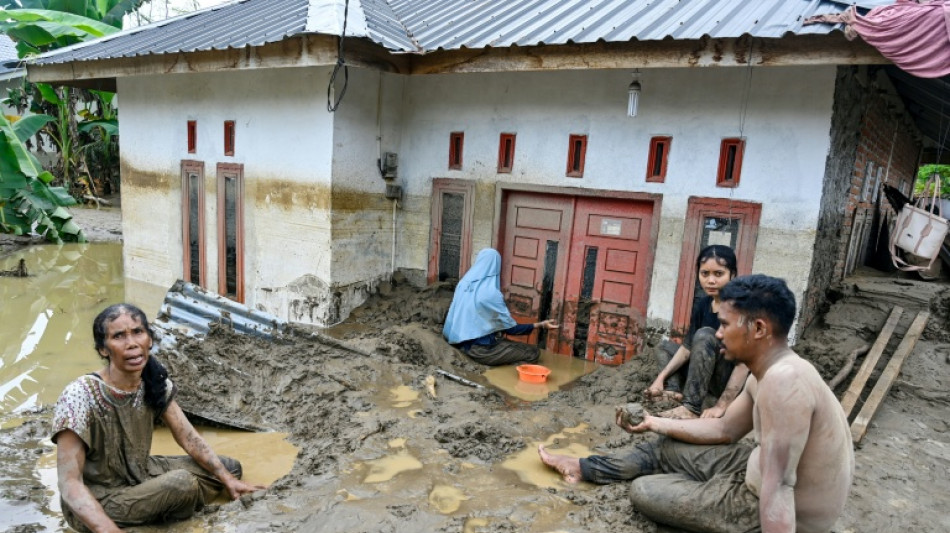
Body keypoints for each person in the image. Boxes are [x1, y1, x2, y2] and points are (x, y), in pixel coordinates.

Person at [539, 275, 854, 533]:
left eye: (726, 325)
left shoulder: (784, 382)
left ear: (758, 329)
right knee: (666, 444)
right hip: (754, 469)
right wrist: (653, 422)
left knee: (645, 491)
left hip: (780, 511)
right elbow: (725, 428)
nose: (717, 334)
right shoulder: (767, 372)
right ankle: (583, 467)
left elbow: (781, 487)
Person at [53, 303, 266, 532]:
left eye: (137, 332)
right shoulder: (79, 395)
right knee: (182, 483)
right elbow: (69, 484)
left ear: (150, 339)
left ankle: (155, 506)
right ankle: (137, 519)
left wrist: (228, 480)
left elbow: (187, 436)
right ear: (103, 349)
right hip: (101, 498)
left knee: (230, 469)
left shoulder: (153, 381)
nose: (132, 343)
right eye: (119, 336)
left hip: (140, 473)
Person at [646, 245, 749, 419]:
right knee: (665, 347)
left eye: (718, 274)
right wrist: (660, 378)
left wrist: (722, 405)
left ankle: (691, 408)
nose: (710, 280)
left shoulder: (741, 307)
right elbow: (687, 349)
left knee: (704, 335)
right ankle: (673, 391)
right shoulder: (703, 304)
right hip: (703, 372)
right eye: (705, 274)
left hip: (726, 378)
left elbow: (744, 364)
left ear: (733, 274)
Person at [443, 248, 559, 365]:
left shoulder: (463, 283)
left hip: (458, 341)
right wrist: (541, 325)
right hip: (480, 350)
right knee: (533, 353)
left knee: (505, 342)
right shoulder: (490, 293)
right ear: (496, 266)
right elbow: (510, 329)